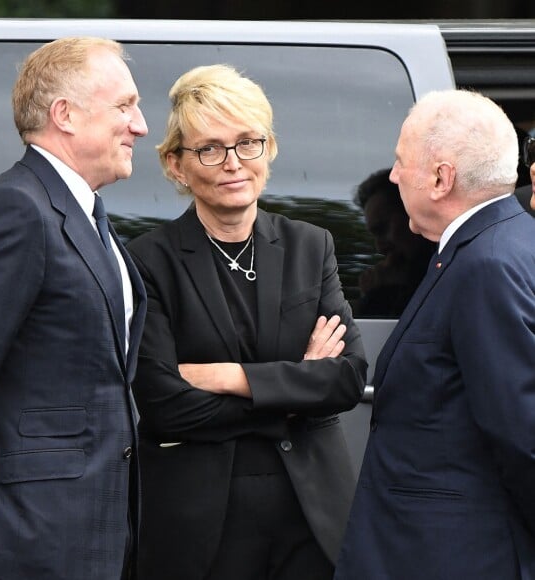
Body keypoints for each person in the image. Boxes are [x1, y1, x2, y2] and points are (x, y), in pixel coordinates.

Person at [126, 64, 367, 580]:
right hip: (201, 528)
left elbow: (346, 377)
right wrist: (296, 389)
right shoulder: (148, 260)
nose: (234, 163)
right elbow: (166, 407)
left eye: (248, 143)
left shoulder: (311, 245)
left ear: (269, 149)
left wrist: (231, 378)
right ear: (175, 165)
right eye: (210, 149)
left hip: (311, 518)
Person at [0, 37, 148, 580]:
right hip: (28, 540)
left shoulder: (83, 212)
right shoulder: (18, 207)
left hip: (88, 532)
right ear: (64, 114)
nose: (140, 125)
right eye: (124, 106)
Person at [335, 89, 535, 579]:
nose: (396, 174)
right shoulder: (493, 244)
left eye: (401, 161)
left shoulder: (486, 264)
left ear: (442, 178)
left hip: (456, 556)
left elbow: (523, 436)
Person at [353, 167, 436, 317]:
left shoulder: (448, 277)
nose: (380, 247)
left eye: (382, 229)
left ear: (413, 216)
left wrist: (381, 293)